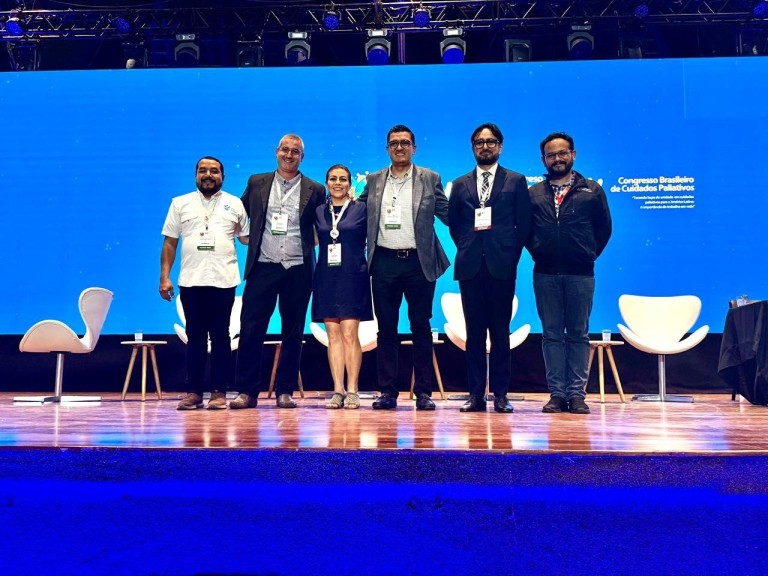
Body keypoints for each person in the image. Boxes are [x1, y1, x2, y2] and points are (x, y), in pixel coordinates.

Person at [230, 134, 326, 409]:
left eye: (295, 152)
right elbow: (238, 213)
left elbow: (324, 225)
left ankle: (285, 390)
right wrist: (241, 235)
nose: (289, 155)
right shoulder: (257, 182)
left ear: (301, 157)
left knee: (293, 332)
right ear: (276, 152)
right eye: (285, 150)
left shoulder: (315, 189)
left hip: (298, 268)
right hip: (263, 266)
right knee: (251, 329)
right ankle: (246, 391)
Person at [358, 124, 449, 411]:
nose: (399, 147)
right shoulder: (373, 180)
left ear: (414, 147)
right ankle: (387, 392)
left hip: (419, 262)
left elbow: (449, 214)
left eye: (405, 143)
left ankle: (423, 393)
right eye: (394, 143)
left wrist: (481, 225)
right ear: (387, 148)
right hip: (383, 261)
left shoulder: (430, 178)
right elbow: (356, 214)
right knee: (386, 329)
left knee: (421, 327)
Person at [526, 132, 612, 415]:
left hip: (581, 274)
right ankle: (556, 394)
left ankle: (576, 395)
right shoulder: (534, 194)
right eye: (551, 155)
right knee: (551, 335)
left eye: (562, 153)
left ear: (573, 155)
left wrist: (586, 254)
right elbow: (526, 233)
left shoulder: (591, 191)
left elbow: (604, 230)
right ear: (543, 160)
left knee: (578, 335)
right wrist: (540, 250)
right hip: (545, 274)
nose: (557, 158)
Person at [447, 123, 531, 413]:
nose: (485, 146)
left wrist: (509, 255)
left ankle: (501, 395)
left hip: (501, 267)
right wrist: (470, 248)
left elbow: (524, 225)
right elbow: (455, 227)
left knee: (499, 333)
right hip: (471, 267)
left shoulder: (516, 181)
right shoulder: (459, 184)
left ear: (500, 146)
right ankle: (475, 396)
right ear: (473, 147)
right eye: (480, 142)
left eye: (491, 141)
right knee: (474, 335)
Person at [159, 156, 249, 410]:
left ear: (223, 176)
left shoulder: (235, 204)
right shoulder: (180, 203)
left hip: (224, 280)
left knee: (221, 337)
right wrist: (164, 277)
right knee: (195, 337)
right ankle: (194, 392)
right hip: (191, 280)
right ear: (196, 175)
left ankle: (219, 392)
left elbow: (245, 238)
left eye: (214, 171)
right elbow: (169, 242)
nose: (208, 175)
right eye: (203, 171)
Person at [312, 164, 373, 409]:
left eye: (343, 179)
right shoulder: (318, 211)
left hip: (352, 276)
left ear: (350, 184)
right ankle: (337, 390)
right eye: (333, 179)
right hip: (326, 277)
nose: (338, 183)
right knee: (333, 335)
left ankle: (353, 390)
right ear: (327, 183)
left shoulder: (362, 209)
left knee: (349, 334)